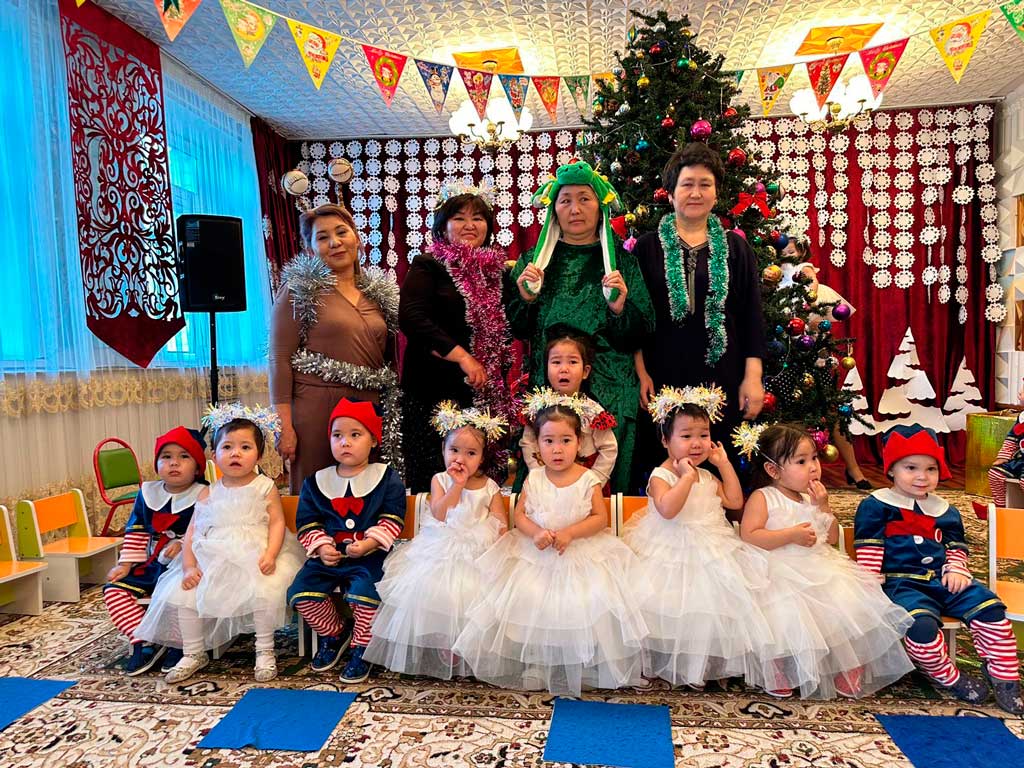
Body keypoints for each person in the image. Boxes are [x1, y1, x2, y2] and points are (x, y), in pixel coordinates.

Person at [453, 395, 648, 696]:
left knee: (583, 604)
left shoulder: (589, 479)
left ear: (579, 443)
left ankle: (581, 662)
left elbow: (600, 518)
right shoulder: (535, 478)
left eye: (565, 440)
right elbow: (520, 515)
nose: (557, 449)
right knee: (534, 602)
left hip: (581, 552)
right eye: (549, 441)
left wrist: (570, 533)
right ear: (538, 445)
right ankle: (538, 662)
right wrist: (535, 533)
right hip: (537, 553)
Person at [507, 160, 653, 493]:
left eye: (585, 199)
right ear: (553, 209)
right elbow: (517, 328)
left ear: (600, 206)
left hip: (611, 388)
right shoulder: (534, 263)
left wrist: (619, 308)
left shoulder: (623, 263)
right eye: (566, 200)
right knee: (546, 479)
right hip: (552, 385)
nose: (575, 209)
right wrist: (526, 300)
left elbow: (643, 331)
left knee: (606, 482)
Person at [855, 426, 1023, 714]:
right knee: (920, 626)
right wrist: (870, 583)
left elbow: (956, 545)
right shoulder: (876, 505)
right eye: (911, 468)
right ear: (892, 469)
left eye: (930, 469)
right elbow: (870, 547)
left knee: (991, 609)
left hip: (944, 579)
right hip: (902, 584)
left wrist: (956, 568)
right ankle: (947, 675)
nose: (922, 476)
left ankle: (1005, 676)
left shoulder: (946, 510)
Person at [740, 423, 913, 699]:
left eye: (814, 458)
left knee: (847, 606)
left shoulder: (810, 497)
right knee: (784, 613)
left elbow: (831, 537)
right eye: (801, 461)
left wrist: (822, 506)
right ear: (773, 470)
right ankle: (779, 665)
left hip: (818, 565)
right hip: (778, 568)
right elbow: (750, 535)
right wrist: (790, 535)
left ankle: (846, 664)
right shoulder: (764, 497)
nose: (813, 467)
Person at [136, 405, 304, 684]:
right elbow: (193, 532)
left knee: (264, 590)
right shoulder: (208, 492)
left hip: (256, 551)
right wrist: (189, 566)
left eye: (245, 447)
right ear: (214, 456)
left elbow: (277, 523)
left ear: (259, 455)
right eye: (227, 447)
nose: (235, 453)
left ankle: (264, 650)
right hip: (213, 554)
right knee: (184, 593)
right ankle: (193, 652)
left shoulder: (264, 486)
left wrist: (271, 554)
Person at [632, 143, 766, 490]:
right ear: (671, 193)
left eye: (705, 184)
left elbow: (751, 315)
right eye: (687, 184)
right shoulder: (647, 247)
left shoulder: (736, 248)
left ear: (716, 192)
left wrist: (753, 377)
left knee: (720, 458)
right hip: (662, 374)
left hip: (723, 372)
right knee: (662, 463)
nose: (695, 193)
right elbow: (636, 317)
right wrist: (640, 372)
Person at [622, 386, 771, 688]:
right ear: (666, 440)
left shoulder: (706, 474)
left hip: (711, 547)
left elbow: (734, 501)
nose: (696, 443)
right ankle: (662, 660)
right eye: (686, 435)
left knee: (707, 606)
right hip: (668, 550)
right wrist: (686, 478)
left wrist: (723, 464)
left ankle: (700, 664)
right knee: (670, 605)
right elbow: (667, 509)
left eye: (703, 435)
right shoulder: (661, 475)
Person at [365, 402, 507, 679]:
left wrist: (497, 546)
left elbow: (500, 520)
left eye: (471, 453)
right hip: (443, 544)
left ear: (482, 458)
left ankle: (468, 642)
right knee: (439, 589)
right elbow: (440, 513)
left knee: (475, 592)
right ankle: (443, 638)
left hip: (478, 547)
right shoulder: (440, 480)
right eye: (454, 450)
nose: (460, 459)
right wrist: (458, 485)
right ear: (444, 450)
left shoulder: (490, 486)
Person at [270, 203, 400, 493]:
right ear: (310, 249)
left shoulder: (377, 293)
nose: (335, 242)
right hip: (317, 408)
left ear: (356, 238)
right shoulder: (298, 289)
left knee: (368, 493)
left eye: (342, 232)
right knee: (316, 494)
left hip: (369, 407)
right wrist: (285, 427)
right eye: (322, 237)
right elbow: (279, 359)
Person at [399, 183, 514, 491]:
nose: (469, 225)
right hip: (434, 389)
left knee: (480, 480)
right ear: (443, 225)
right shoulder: (429, 265)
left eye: (478, 217)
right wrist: (463, 357)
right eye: (459, 217)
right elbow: (412, 318)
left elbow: (514, 323)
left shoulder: (499, 272)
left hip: (484, 392)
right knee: (435, 478)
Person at [287, 398, 406, 684]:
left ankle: (363, 646)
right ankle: (335, 633)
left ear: (373, 440)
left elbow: (392, 519)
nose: (345, 442)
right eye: (337, 435)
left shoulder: (387, 478)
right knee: (301, 592)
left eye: (355, 435)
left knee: (366, 594)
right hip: (328, 557)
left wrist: (369, 543)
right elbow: (307, 521)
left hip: (370, 555)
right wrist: (322, 546)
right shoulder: (316, 482)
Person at [102, 426, 207, 676]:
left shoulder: (203, 494)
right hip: (151, 562)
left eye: (184, 457)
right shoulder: (148, 493)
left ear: (197, 466)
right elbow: (137, 530)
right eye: (166, 457)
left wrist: (184, 543)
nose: (174, 463)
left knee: (180, 592)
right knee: (114, 590)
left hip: (186, 562)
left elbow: (209, 530)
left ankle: (177, 641)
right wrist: (125, 564)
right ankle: (142, 638)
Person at [778, 234, 868, 489]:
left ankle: (853, 468)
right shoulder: (773, 286)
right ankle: (790, 472)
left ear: (802, 253)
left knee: (831, 410)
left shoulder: (809, 281)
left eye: (792, 252)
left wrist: (809, 306)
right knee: (789, 414)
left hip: (814, 359)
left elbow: (822, 319)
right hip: (784, 361)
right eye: (783, 252)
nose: (787, 256)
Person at [516, 326, 617, 491]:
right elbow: (528, 443)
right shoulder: (537, 408)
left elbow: (609, 448)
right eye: (556, 362)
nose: (564, 369)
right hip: (547, 484)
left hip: (584, 485)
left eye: (573, 362)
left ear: (585, 371)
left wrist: (595, 481)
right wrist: (538, 476)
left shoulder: (592, 411)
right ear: (546, 368)